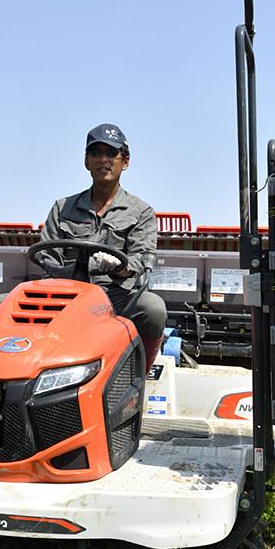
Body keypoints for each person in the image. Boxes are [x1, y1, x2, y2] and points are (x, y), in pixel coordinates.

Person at [36, 123, 166, 373]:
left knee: (154, 309)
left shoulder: (141, 212)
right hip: (66, 296)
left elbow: (142, 259)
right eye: (96, 153)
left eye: (111, 153)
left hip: (115, 296)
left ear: (125, 161)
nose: (103, 159)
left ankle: (139, 379)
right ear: (86, 161)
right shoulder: (62, 208)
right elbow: (47, 257)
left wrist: (120, 267)